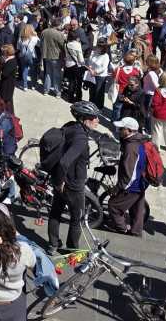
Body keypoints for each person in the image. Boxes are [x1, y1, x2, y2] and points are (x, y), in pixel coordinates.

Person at [47, 101, 97, 254]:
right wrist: (61, 181)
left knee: (56, 211)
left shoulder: (70, 126)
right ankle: (72, 250)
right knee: (77, 218)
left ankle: (52, 244)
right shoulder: (81, 138)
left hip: (60, 180)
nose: (97, 121)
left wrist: (58, 181)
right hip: (73, 184)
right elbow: (64, 162)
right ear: (85, 119)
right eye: (94, 118)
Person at [107, 117, 151, 236]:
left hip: (133, 185)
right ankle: (136, 232)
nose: (118, 130)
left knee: (113, 206)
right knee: (137, 210)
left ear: (130, 130)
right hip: (142, 182)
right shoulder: (140, 140)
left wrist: (118, 188)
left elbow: (129, 174)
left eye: (121, 128)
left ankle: (122, 229)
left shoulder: (130, 147)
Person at [40, 20, 67, 97]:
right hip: (56, 56)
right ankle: (57, 92)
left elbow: (41, 43)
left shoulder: (44, 32)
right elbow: (63, 46)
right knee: (56, 75)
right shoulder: (59, 34)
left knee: (48, 74)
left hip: (46, 55)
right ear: (58, 25)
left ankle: (46, 90)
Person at [0, 44, 18, 113]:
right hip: (7, 84)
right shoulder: (10, 60)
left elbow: (5, 74)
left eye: (3, 52)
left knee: (6, 102)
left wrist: (0, 69)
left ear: (7, 53)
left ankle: (9, 116)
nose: (2, 54)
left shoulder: (11, 61)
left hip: (7, 85)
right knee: (7, 101)